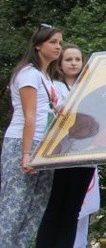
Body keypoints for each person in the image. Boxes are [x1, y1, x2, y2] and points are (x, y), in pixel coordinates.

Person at [0, 24, 62, 247]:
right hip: (22, 143)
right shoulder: (28, 73)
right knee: (14, 207)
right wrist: (26, 154)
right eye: (53, 42)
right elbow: (30, 115)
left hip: (44, 146)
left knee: (35, 208)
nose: (58, 47)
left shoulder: (45, 76)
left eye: (60, 43)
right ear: (38, 46)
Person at [36, 44, 97, 248]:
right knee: (55, 206)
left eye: (77, 59)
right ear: (60, 64)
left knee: (73, 209)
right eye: (68, 59)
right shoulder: (53, 86)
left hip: (84, 154)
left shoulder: (91, 89)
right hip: (58, 154)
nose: (73, 63)